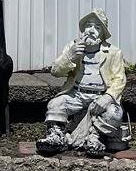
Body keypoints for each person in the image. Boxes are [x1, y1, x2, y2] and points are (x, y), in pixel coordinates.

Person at [37, 10, 129, 156]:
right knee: (56, 104)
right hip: (77, 94)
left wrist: (108, 97)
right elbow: (55, 71)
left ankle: (95, 137)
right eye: (88, 25)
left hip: (100, 95)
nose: (91, 31)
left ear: (103, 33)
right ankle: (56, 135)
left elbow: (120, 79)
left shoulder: (113, 52)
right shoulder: (73, 47)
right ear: (83, 29)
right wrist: (70, 57)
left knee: (114, 113)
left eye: (97, 27)